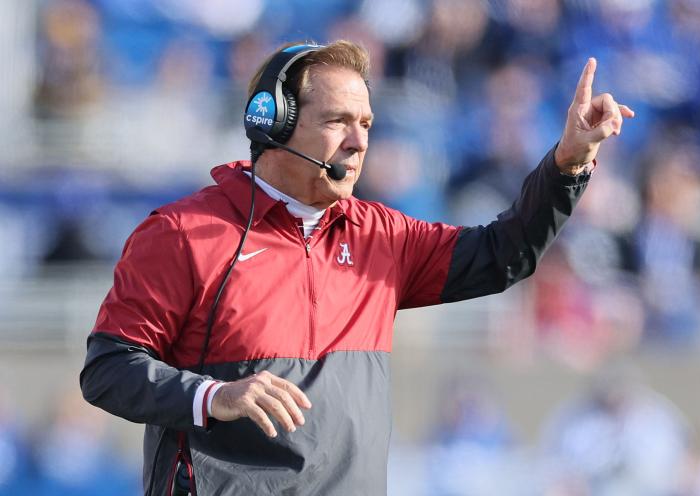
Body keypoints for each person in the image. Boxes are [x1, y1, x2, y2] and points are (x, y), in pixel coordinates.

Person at [80, 40, 633, 495]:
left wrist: (569, 161)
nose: (360, 140)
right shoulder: (182, 233)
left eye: (367, 122)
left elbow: (501, 254)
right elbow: (107, 370)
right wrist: (214, 396)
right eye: (339, 121)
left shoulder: (382, 234)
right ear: (272, 121)